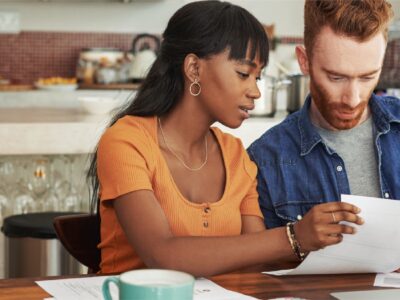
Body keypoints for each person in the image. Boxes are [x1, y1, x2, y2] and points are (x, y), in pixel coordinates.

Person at [88, 0, 362, 277]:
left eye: (257, 77)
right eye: (243, 73)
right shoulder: (127, 142)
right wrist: (294, 237)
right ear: (194, 68)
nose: (255, 91)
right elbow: (162, 255)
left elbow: (254, 262)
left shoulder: (235, 155)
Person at [248, 0, 395, 229]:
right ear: (304, 62)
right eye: (336, 78)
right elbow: (264, 262)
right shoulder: (265, 160)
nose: (353, 99)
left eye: (368, 77)